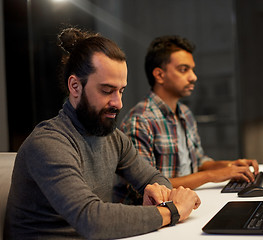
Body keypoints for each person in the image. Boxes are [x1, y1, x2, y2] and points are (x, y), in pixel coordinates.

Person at [4, 28, 200, 240]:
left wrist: (158, 192)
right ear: (75, 86)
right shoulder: (48, 143)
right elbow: (92, 221)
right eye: (107, 90)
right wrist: (172, 211)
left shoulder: (112, 138)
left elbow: (153, 177)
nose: (118, 103)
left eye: (121, 90)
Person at [120, 35, 259, 190]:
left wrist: (230, 166)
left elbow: (198, 162)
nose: (193, 77)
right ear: (159, 75)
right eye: (184, 70)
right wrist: (212, 176)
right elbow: (148, 187)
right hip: (159, 211)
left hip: (189, 199)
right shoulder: (140, 121)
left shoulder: (185, 113)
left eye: (192, 70)